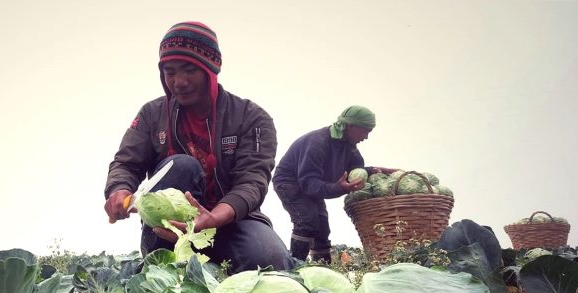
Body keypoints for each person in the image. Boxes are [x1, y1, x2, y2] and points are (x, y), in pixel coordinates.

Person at [104, 21, 291, 273]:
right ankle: (160, 261)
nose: (178, 82)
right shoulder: (152, 114)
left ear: (210, 70)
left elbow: (252, 182)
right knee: (181, 166)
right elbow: (126, 163)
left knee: (272, 260)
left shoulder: (252, 117)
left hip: (233, 222)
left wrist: (214, 218)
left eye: (189, 70)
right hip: (170, 229)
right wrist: (119, 189)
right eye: (169, 72)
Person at [273, 106, 398, 263]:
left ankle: (323, 269)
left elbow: (353, 170)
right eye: (365, 130)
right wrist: (339, 188)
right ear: (350, 126)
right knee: (307, 221)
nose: (366, 137)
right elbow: (308, 182)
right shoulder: (318, 142)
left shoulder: (348, 146)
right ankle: (295, 266)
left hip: (313, 184)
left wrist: (373, 170)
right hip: (290, 182)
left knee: (322, 227)